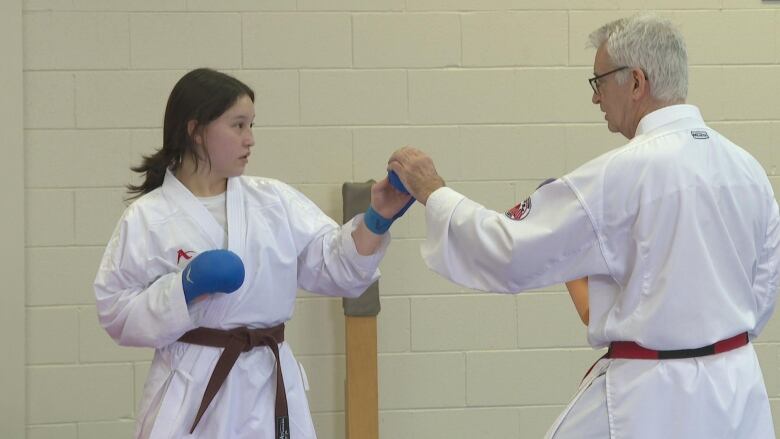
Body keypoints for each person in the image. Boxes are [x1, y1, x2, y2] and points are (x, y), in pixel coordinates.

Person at [388, 14, 780, 439]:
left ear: (636, 82)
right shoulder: (750, 171)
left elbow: (510, 249)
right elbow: (763, 293)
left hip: (651, 402)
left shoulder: (621, 173)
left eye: (600, 81)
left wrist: (435, 193)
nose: (595, 98)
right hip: (738, 390)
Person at [94, 68, 411, 439]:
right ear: (196, 130)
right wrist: (182, 289)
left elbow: (336, 267)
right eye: (238, 125)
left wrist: (376, 220)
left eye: (251, 125)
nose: (250, 139)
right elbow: (115, 310)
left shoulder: (273, 201)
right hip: (193, 387)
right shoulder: (149, 217)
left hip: (268, 382)